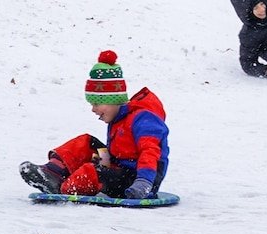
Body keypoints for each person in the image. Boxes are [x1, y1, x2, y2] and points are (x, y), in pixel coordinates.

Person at [19, 51, 170, 198]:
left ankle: (64, 187)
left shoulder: (144, 119)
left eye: (97, 103)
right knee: (86, 142)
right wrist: (103, 158)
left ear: (113, 100)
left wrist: (143, 182)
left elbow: (150, 152)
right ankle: (52, 173)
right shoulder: (118, 117)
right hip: (119, 169)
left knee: (92, 173)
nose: (93, 109)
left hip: (137, 180)